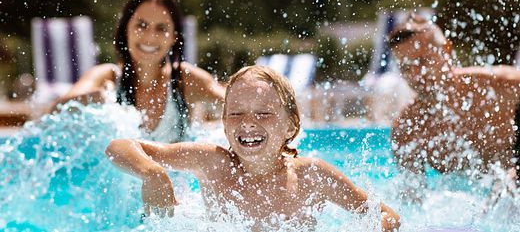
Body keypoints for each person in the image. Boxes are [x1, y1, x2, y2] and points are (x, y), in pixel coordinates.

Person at [105, 66, 400, 231]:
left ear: (290, 125)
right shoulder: (213, 163)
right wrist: (153, 173)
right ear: (223, 122)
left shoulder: (312, 176)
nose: (248, 123)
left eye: (264, 113)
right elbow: (119, 146)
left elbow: (387, 216)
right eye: (236, 113)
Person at [53, 0, 225, 143]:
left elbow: (235, 101)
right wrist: (94, 98)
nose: (150, 37)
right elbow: (54, 112)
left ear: (174, 37)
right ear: (125, 29)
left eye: (161, 28)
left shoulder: (184, 79)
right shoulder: (107, 77)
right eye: (141, 25)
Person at [387, 14, 520, 179]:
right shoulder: (408, 131)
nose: (415, 75)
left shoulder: (502, 87)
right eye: (406, 67)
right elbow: (411, 201)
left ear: (446, 50)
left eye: (423, 61)